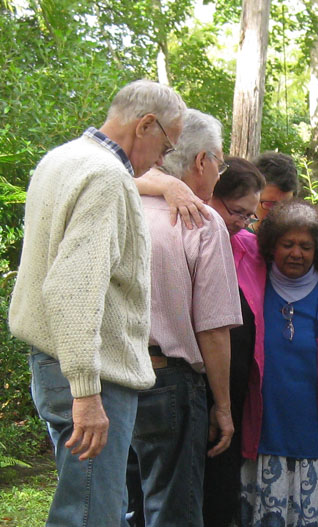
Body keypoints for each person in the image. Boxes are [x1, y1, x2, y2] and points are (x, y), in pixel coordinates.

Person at [8, 79, 185, 526]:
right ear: (146, 125)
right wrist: (86, 391)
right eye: (166, 146)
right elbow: (74, 285)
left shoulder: (61, 158)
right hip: (91, 372)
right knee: (93, 515)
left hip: (52, 362)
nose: (163, 161)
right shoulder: (107, 177)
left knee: (83, 505)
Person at [127, 108, 243, 527]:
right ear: (201, 161)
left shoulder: (120, 200)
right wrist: (224, 407)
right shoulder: (202, 220)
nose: (218, 173)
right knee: (173, 510)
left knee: (123, 505)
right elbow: (212, 328)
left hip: (109, 379)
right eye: (220, 162)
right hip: (168, 382)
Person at [239, 199, 318, 527]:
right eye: (287, 244)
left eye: (306, 246)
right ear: (271, 245)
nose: (296, 253)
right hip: (261, 430)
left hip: (313, 435)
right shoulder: (252, 285)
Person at [203, 156, 268, 527]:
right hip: (194, 391)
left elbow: (299, 257)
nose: (242, 222)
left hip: (235, 394)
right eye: (237, 212)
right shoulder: (186, 235)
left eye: (249, 216)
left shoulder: (248, 246)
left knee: (221, 499)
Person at [253, 151, 300, 224]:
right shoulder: (234, 233)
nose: (278, 213)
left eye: (285, 205)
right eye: (270, 205)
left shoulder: (303, 233)